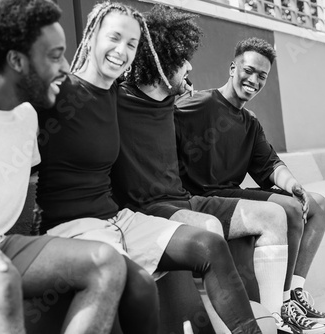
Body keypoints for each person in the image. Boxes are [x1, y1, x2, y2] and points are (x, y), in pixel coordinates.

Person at [34, 2, 263, 333]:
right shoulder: (57, 90)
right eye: (114, 38)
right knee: (135, 285)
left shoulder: (117, 94)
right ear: (92, 35)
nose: (122, 51)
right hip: (72, 226)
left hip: (118, 219)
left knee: (209, 244)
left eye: (131, 44)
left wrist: (182, 83)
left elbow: (159, 90)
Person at [110, 5, 300, 333]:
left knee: (275, 216)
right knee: (209, 227)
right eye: (182, 59)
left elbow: (267, 162)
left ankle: (274, 318)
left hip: (185, 199)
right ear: (162, 60)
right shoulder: (118, 99)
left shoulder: (173, 102)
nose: (190, 66)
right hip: (150, 208)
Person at [0, 1, 127, 333]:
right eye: (55, 56)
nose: (67, 67)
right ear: (16, 60)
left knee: (107, 263)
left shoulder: (28, 115)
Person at [174, 37, 325, 333]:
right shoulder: (197, 104)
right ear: (232, 67)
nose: (253, 80)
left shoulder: (250, 122)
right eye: (248, 70)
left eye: (262, 76)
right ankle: (281, 304)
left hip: (230, 191)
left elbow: (270, 165)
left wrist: (292, 185)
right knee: (288, 209)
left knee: (318, 205)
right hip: (203, 196)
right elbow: (161, 120)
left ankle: (294, 295)